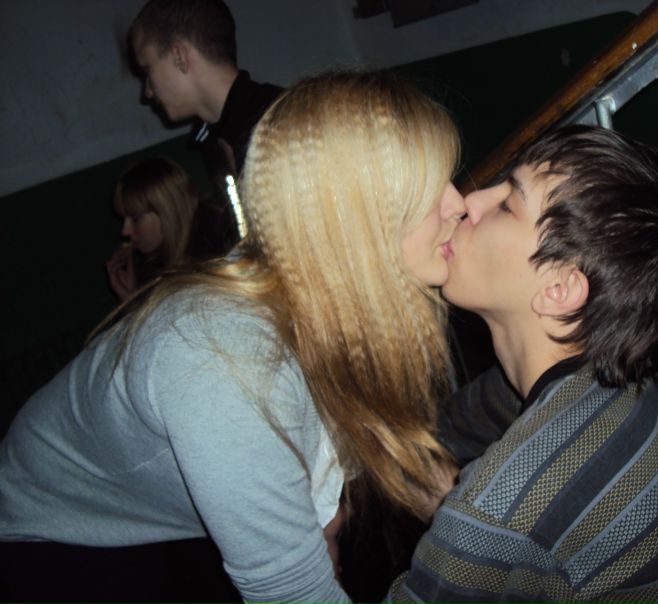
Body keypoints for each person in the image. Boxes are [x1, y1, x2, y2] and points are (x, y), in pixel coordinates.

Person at [0, 71, 464, 603]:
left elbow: (381, 444)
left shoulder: (326, 299)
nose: (460, 204)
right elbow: (294, 594)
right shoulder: (227, 361)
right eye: (430, 187)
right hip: (52, 533)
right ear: (348, 214)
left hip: (145, 506)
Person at [387, 125, 658, 603]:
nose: (468, 202)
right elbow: (439, 431)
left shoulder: (501, 509)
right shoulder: (628, 379)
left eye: (507, 205)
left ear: (559, 290)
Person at [129, 0, 284, 258]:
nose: (147, 92)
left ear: (179, 55)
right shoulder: (214, 136)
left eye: (147, 69)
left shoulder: (278, 120)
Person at [106, 157, 199, 301]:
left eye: (135, 219)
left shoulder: (215, 261)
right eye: (124, 219)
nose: (125, 231)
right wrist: (133, 298)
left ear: (167, 211)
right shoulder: (155, 271)